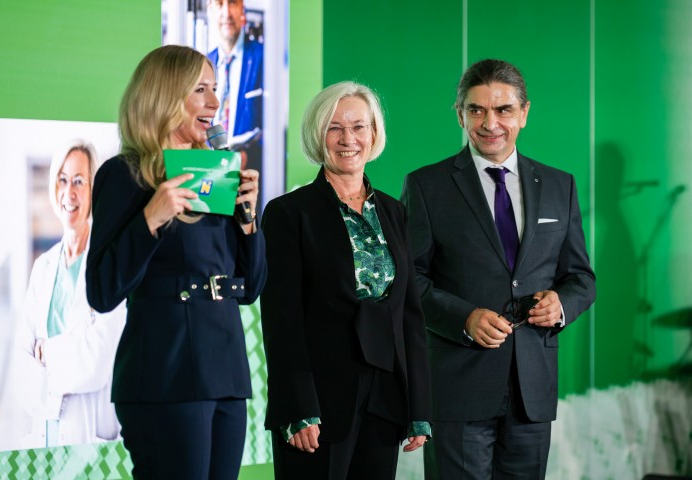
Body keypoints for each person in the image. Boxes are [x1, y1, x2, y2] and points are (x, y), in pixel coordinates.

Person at [401, 59, 596, 479]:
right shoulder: (426, 186)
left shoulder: (560, 185)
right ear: (460, 115)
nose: (490, 123)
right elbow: (409, 279)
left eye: (504, 110)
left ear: (524, 113)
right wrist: (464, 319)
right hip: (459, 388)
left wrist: (561, 305)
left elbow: (581, 278)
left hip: (532, 393)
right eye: (476, 110)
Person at [85, 45, 266, 479]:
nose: (214, 102)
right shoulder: (125, 174)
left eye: (215, 89)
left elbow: (250, 288)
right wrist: (151, 218)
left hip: (227, 371)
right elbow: (102, 292)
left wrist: (248, 221)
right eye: (200, 89)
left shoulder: (214, 174)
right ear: (164, 95)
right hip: (166, 373)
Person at [261, 81, 432, 480]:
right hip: (318, 404)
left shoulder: (393, 211)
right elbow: (282, 319)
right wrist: (297, 406)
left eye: (358, 127)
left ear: (374, 134)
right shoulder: (288, 213)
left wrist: (419, 408)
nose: (347, 139)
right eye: (334, 128)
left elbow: (409, 314)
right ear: (317, 135)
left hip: (385, 398)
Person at [15, 139, 125, 448]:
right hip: (44, 433)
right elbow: (21, 369)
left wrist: (47, 353)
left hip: (90, 435)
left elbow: (96, 364)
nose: (69, 193)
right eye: (63, 180)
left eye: (79, 181)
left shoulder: (109, 263)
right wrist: (71, 353)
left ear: (93, 191)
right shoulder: (43, 267)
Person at [207, 0, 263, 172]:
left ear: (242, 8)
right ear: (210, 10)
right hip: (210, 174)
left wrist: (248, 156)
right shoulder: (204, 64)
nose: (226, 13)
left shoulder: (264, 58)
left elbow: (276, 129)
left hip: (251, 175)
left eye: (232, 2)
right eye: (219, 4)